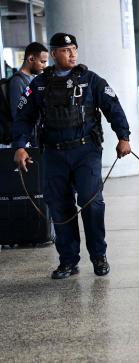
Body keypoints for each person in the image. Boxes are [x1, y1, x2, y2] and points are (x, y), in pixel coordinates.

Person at [12, 33, 132, 279]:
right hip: (54, 154)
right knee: (60, 207)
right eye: (66, 50)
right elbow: (24, 116)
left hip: (85, 151)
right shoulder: (38, 85)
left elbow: (113, 107)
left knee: (91, 202)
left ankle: (99, 256)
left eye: (74, 49)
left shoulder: (91, 80)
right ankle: (68, 260)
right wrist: (20, 145)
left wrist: (124, 137)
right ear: (54, 53)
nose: (72, 54)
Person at [0, 42, 48, 148]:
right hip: (25, 142)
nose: (44, 66)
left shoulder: (33, 80)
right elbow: (18, 114)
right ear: (31, 59)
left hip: (35, 139)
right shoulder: (17, 82)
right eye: (42, 62)